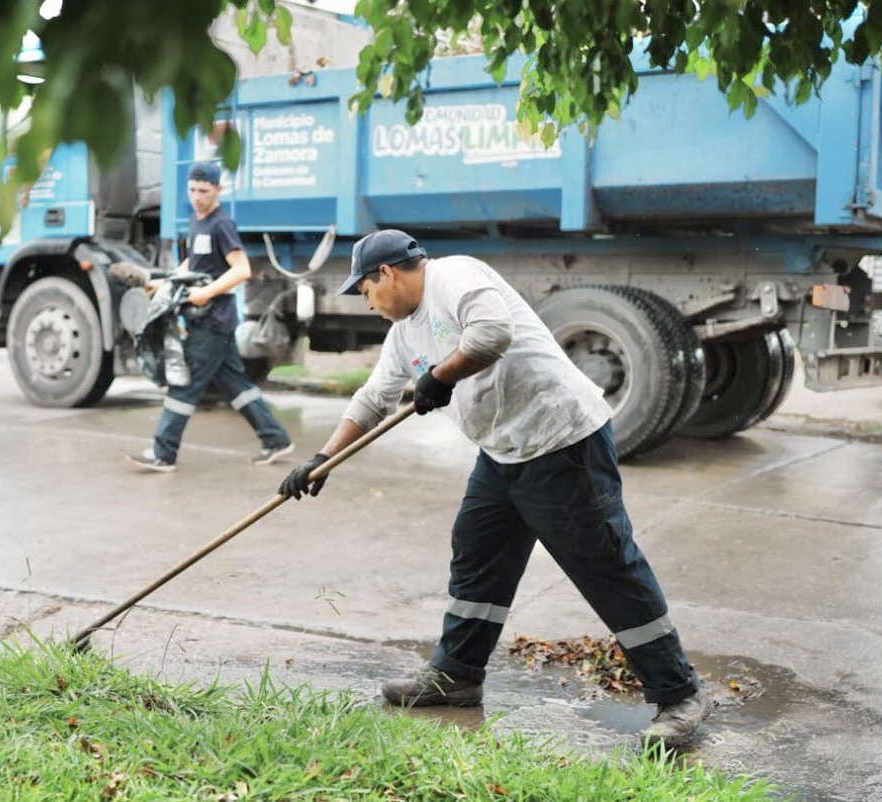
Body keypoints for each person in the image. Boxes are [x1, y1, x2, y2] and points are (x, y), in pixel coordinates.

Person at [278, 229, 710, 745]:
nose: (367, 303)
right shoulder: (403, 332)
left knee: (606, 567)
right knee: (478, 553)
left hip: (562, 440)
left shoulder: (455, 275)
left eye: (365, 291)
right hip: (503, 451)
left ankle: (679, 694)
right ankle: (457, 673)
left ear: (387, 273)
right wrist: (323, 459)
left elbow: (491, 334)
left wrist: (439, 377)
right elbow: (373, 398)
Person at [127, 161, 293, 472]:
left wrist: (207, 293)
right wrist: (163, 282)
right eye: (192, 190)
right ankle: (276, 439)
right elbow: (195, 263)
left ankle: (163, 453)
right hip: (208, 320)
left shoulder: (221, 224)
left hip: (214, 320)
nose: (197, 197)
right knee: (236, 385)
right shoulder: (196, 221)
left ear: (218, 190)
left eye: (204, 191)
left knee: (184, 384)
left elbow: (241, 269)